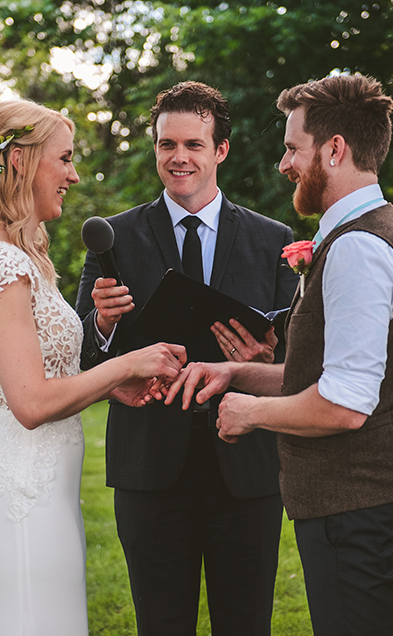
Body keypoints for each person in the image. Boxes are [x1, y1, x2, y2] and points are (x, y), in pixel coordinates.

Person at [164, 73, 393, 636]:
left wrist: (249, 411)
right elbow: (328, 375)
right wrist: (236, 371)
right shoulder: (359, 234)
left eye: (292, 148)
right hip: (353, 500)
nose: (283, 164)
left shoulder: (358, 247)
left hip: (352, 503)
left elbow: (343, 405)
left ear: (334, 150)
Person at [0, 99, 186, 636]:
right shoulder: (1, 263)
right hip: (20, 491)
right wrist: (128, 362)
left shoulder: (25, 254)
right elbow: (30, 403)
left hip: (48, 488)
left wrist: (108, 388)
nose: (74, 175)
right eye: (65, 159)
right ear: (20, 164)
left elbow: (46, 376)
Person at [74, 81, 299, 636]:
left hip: (246, 468)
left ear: (220, 150)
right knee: (160, 625)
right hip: (149, 467)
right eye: (166, 144)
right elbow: (79, 355)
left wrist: (268, 354)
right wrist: (102, 323)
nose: (178, 157)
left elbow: (300, 360)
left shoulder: (274, 241)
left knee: (246, 625)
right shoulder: (114, 239)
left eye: (193, 145)